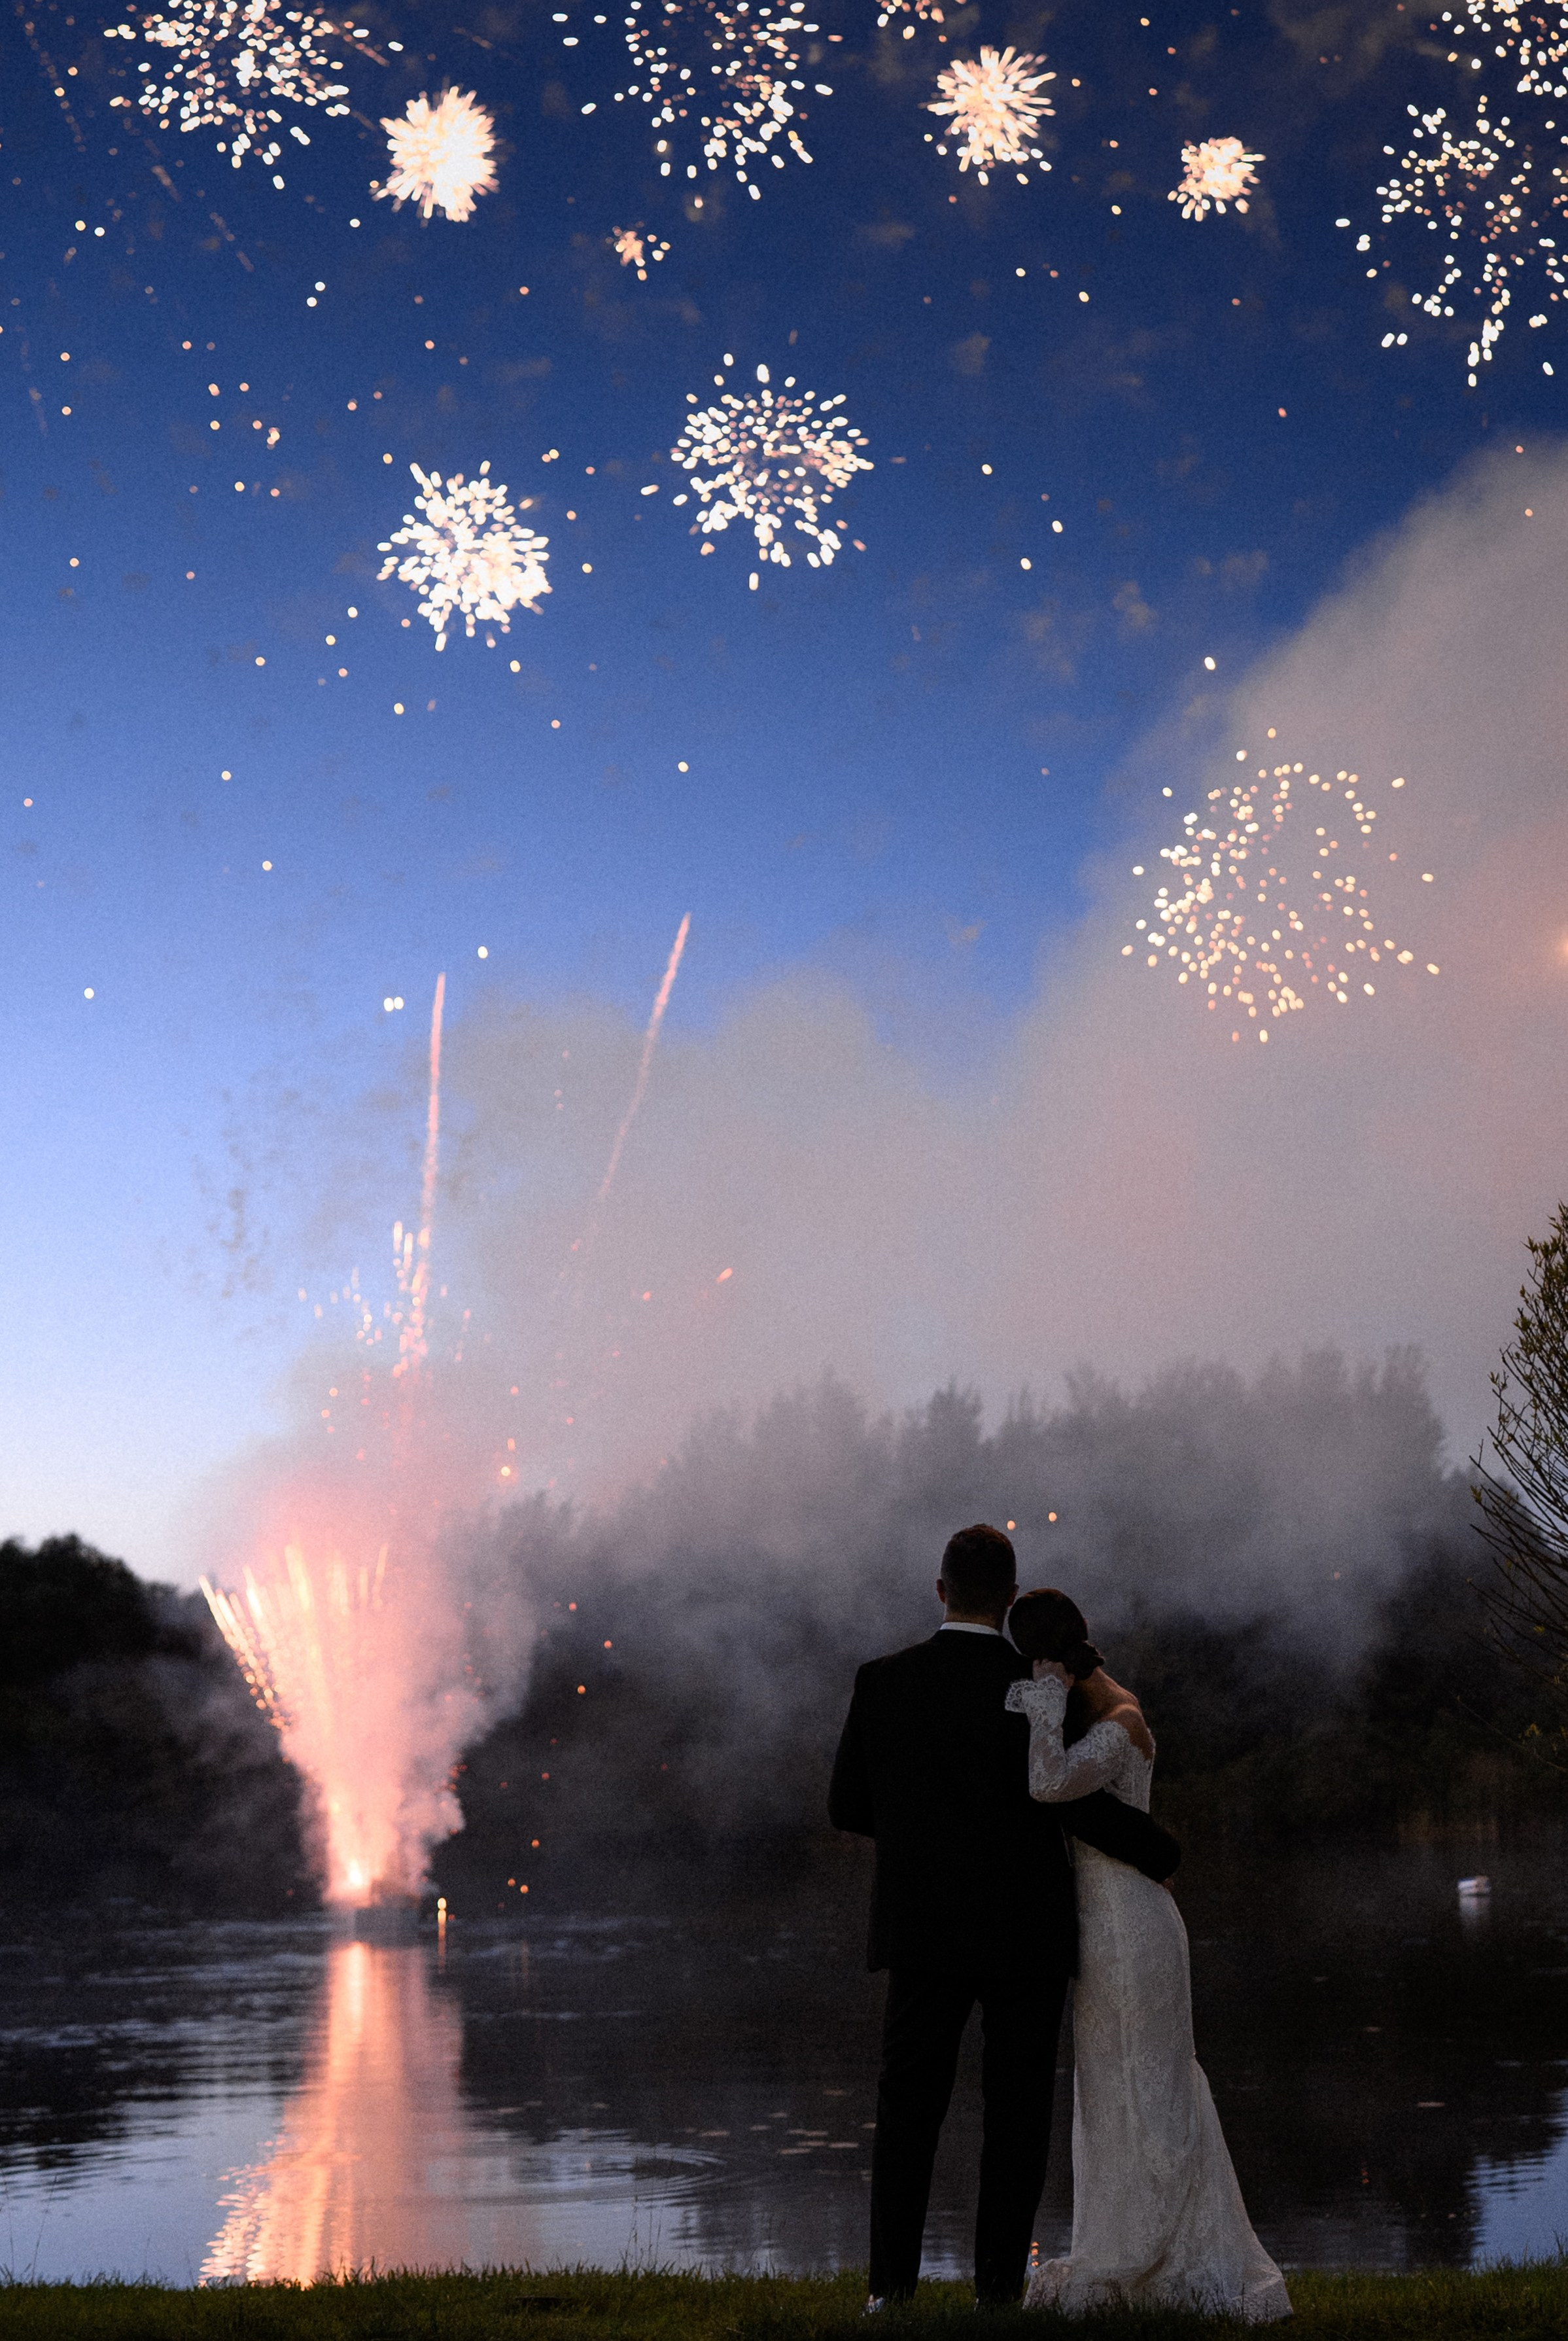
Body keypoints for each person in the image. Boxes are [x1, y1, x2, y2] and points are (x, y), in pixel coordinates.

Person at [828, 1524, 1181, 2310]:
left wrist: (921, 1833)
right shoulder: (1041, 1685)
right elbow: (1075, 1804)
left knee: (909, 2107)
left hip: (922, 1926)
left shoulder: (882, 1679)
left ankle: (890, 2292)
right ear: (1011, 1597)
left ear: (941, 1589)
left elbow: (846, 1804)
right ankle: (996, 2294)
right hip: (1027, 1925)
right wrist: (1160, 1850)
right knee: (1017, 2114)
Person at [1005, 1587, 1291, 2322]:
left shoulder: (1120, 1722)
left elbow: (1047, 1783)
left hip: (1131, 1924)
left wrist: (1044, 1700)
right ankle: (1120, 2240)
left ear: (1048, 1660)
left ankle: (1170, 2252)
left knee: (1155, 2082)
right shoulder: (1092, 1715)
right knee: (1109, 2086)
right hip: (1098, 1926)